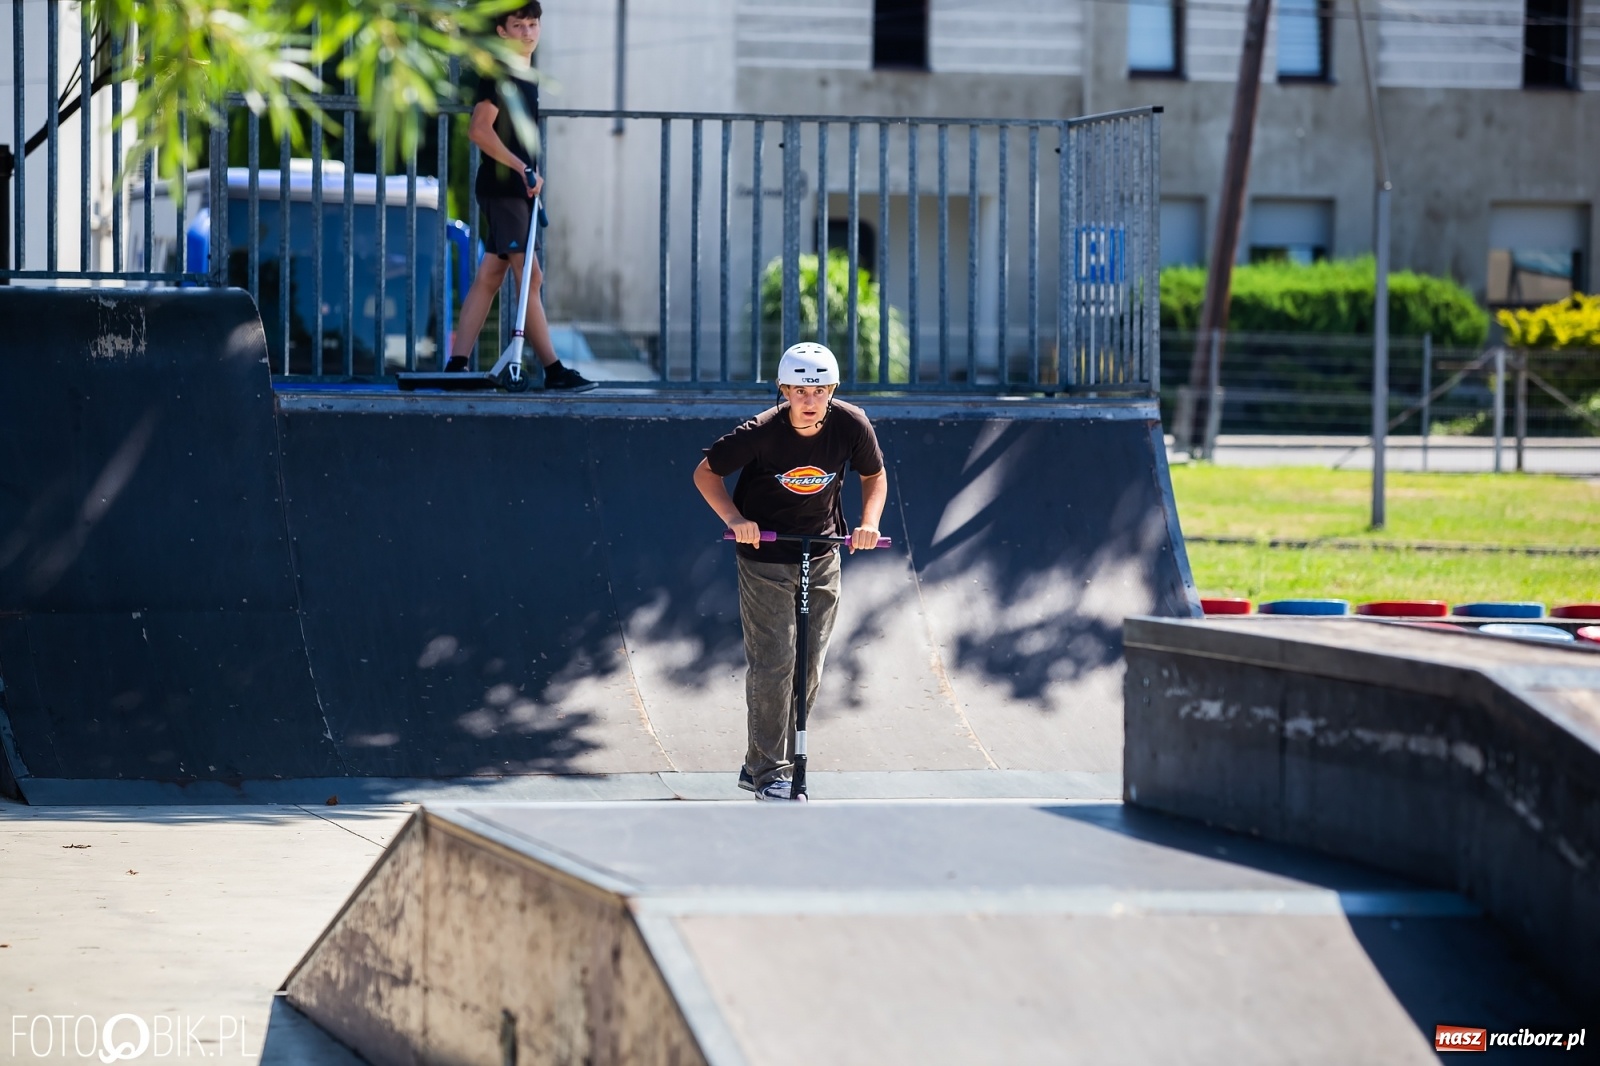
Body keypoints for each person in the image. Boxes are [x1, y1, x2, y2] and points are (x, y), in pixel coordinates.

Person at [693, 342, 888, 801]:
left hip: (821, 552)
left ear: (832, 390)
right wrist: (736, 521)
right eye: (800, 389)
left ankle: (758, 765)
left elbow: (874, 475)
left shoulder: (851, 423)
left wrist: (869, 524)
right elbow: (705, 473)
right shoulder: (761, 431)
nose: (810, 399)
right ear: (783, 389)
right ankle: (769, 771)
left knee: (809, 668)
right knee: (775, 663)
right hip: (765, 558)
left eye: (820, 389)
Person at [446, 1, 594, 391]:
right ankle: (554, 369)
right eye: (519, 25)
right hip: (504, 190)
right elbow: (479, 130)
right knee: (530, 275)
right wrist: (519, 167)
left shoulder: (526, 75)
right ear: (501, 32)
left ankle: (456, 365)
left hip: (516, 191)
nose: (528, 32)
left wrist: (529, 171)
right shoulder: (501, 74)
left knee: (490, 276)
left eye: (533, 24)